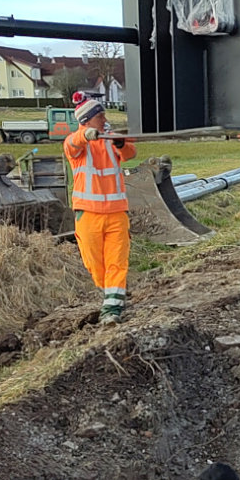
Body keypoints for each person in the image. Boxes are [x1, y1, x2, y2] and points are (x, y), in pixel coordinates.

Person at [63, 97, 135, 322]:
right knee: (94, 264)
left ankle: (112, 309)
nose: (105, 119)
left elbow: (130, 152)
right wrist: (86, 135)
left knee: (117, 260)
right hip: (88, 213)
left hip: (116, 211)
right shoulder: (77, 143)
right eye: (100, 116)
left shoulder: (111, 139)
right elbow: (72, 144)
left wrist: (121, 143)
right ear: (86, 120)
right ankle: (111, 294)